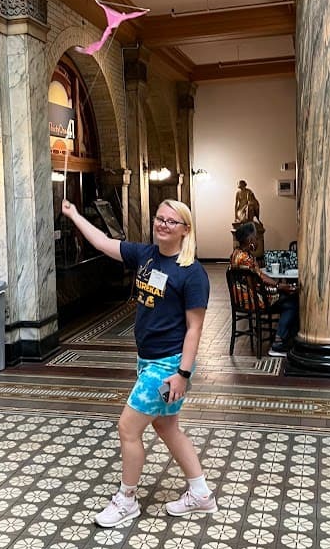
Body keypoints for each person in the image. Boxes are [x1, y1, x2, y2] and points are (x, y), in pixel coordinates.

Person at [61, 197, 216, 527]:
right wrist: (74, 214)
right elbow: (104, 243)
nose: (162, 224)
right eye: (159, 218)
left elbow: (194, 328)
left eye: (170, 221)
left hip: (168, 366)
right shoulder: (146, 256)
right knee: (166, 425)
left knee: (127, 428)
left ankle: (126, 500)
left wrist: (182, 374)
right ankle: (200, 493)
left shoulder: (192, 274)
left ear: (185, 230)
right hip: (148, 361)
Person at [230, 222, 298, 358]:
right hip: (255, 300)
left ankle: (288, 337)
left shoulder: (236, 254)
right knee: (292, 302)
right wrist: (279, 286)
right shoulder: (246, 259)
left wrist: (278, 286)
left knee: (288, 296)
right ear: (249, 240)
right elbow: (261, 279)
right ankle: (278, 344)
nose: (257, 241)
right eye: (255, 238)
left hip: (244, 299)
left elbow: (259, 276)